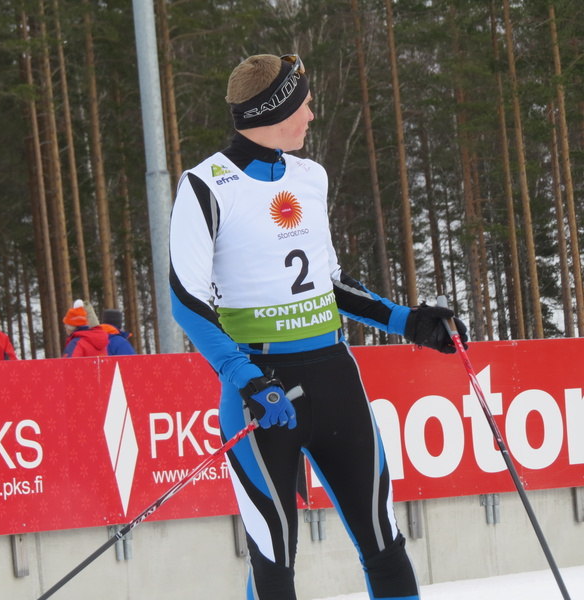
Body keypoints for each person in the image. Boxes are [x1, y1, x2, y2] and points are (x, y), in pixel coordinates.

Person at [169, 54, 468, 600]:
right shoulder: (206, 185)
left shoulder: (310, 177)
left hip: (335, 377)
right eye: (303, 104)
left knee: (384, 544)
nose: (311, 114)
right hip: (264, 390)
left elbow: (329, 282)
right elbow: (186, 302)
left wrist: (408, 321)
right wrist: (246, 377)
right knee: (274, 561)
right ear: (274, 110)